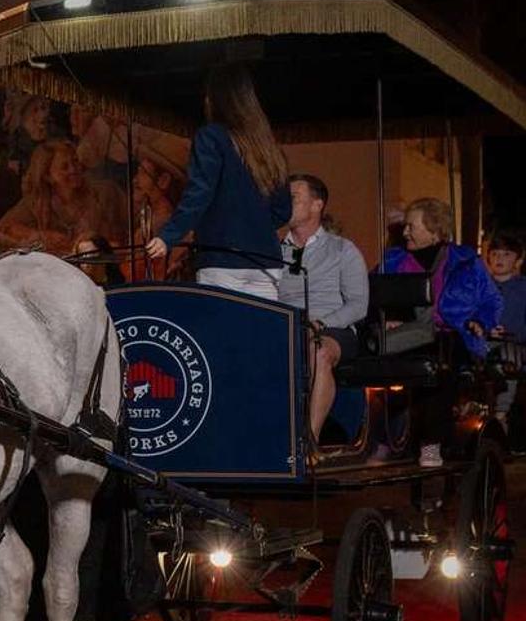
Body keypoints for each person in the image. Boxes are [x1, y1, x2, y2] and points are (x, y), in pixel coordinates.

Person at [144, 64, 292, 299]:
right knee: (259, 334)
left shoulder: (211, 136)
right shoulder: (268, 146)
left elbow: (199, 192)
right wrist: (251, 225)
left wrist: (168, 236)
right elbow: (283, 210)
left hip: (222, 258)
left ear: (213, 99)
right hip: (266, 261)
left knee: (224, 333)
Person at [380, 197, 501, 466]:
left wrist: (480, 321)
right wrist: (389, 317)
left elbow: (491, 301)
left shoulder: (466, 262)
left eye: (412, 226)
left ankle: (431, 443)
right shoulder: (393, 262)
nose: (406, 232)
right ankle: (384, 438)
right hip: (408, 337)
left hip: (453, 337)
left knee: (441, 363)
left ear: (434, 231)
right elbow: (372, 296)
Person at [276, 174, 370, 445]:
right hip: (286, 327)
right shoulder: (273, 251)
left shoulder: (342, 249)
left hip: (333, 329)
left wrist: (321, 322)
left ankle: (310, 443)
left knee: (319, 351)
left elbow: (358, 305)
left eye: (293, 198)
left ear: (317, 205)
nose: (286, 205)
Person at [486, 234, 526, 453]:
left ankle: (501, 415)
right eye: (494, 254)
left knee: (508, 359)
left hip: (511, 345)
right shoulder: (479, 287)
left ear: (518, 260)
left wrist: (517, 331)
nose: (499, 259)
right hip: (480, 343)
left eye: (506, 254)